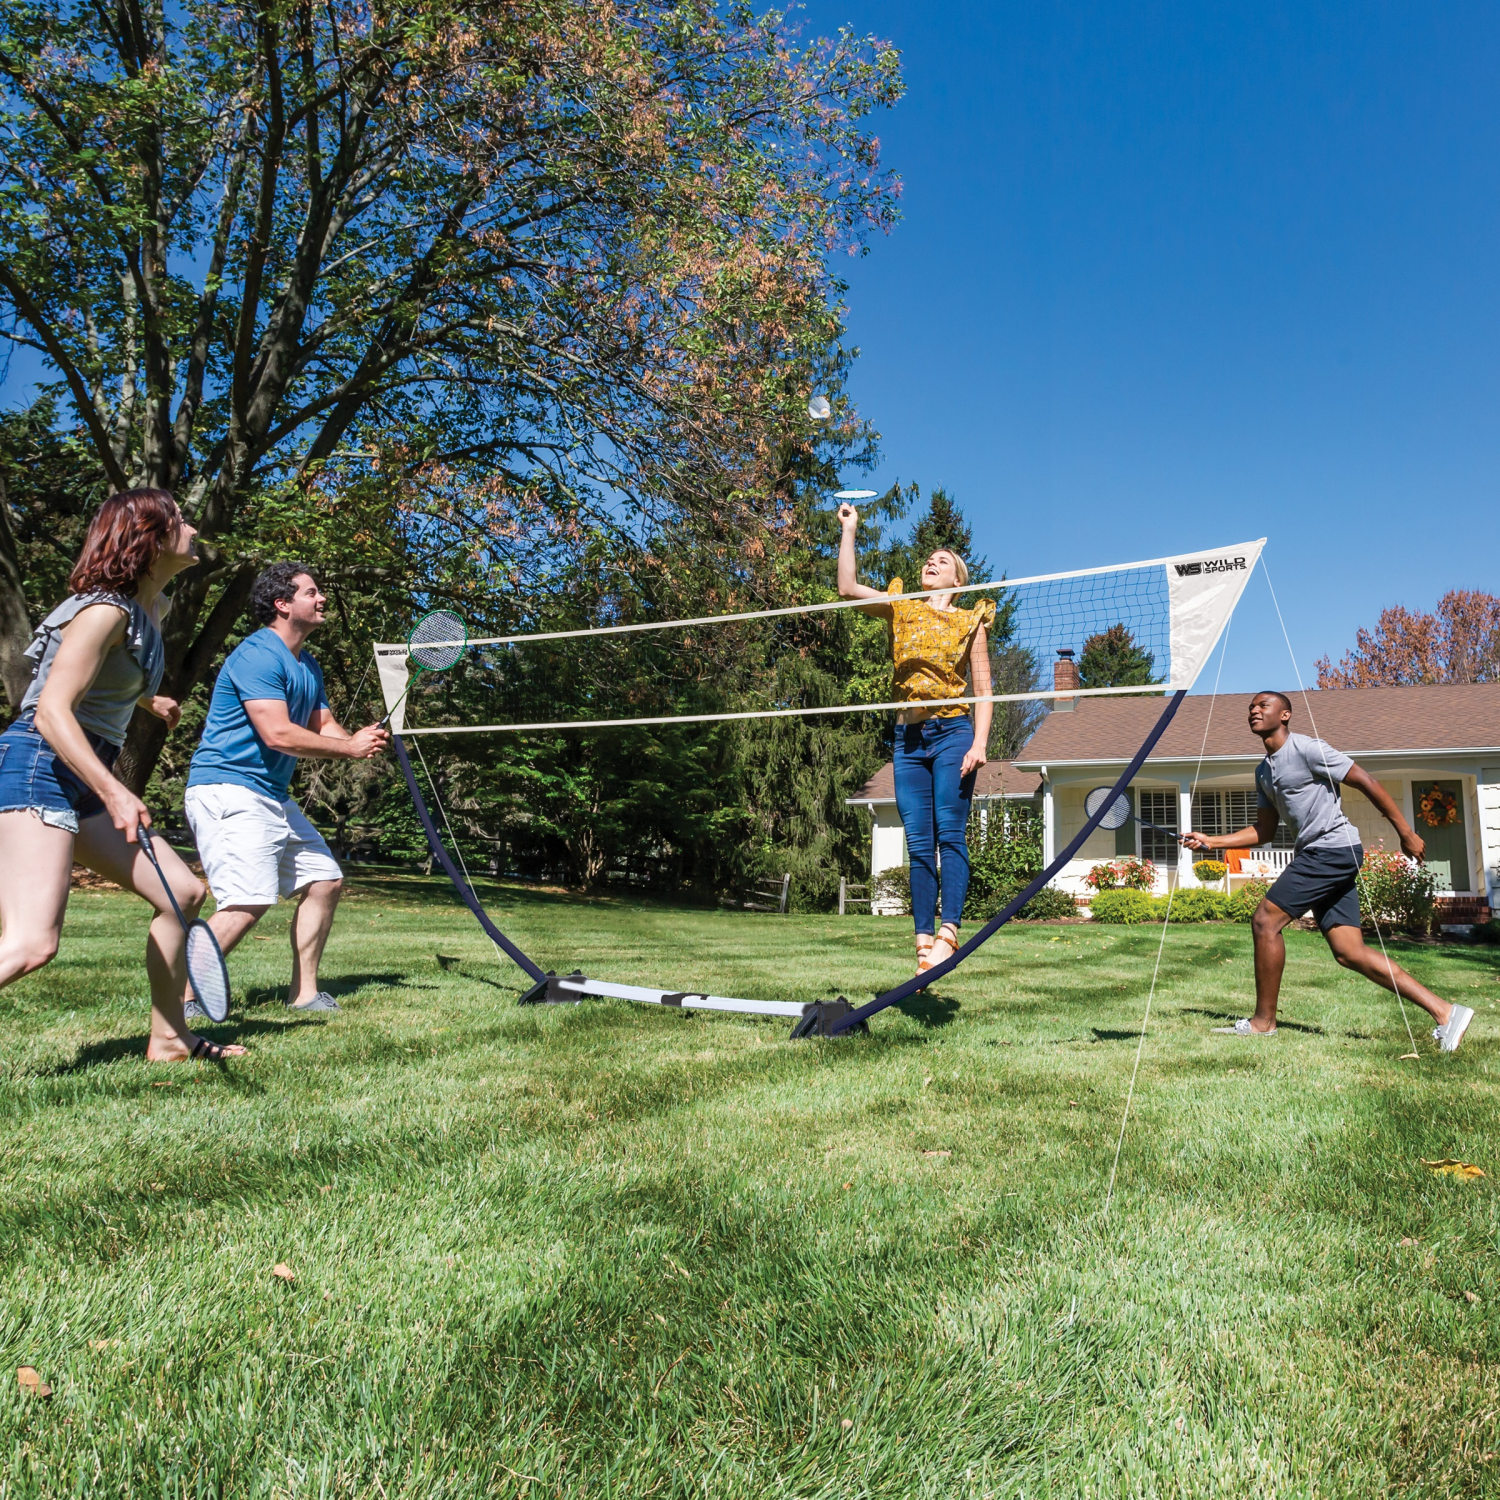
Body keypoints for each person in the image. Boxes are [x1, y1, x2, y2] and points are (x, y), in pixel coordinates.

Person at [0, 488, 244, 1062]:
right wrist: (114, 790)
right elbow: (52, 708)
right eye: (179, 521)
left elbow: (95, 684)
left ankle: (169, 1039)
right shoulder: (104, 608)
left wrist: (146, 702)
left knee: (181, 892)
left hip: (77, 775)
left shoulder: (147, 611)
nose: (191, 529)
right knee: (34, 943)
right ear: (152, 539)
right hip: (40, 765)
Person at [1183, 691, 1472, 1050]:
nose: (1254, 711)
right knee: (1348, 951)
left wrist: (1406, 831)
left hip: (1332, 849)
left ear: (1285, 714)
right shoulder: (1263, 772)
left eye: (1263, 706)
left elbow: (1365, 780)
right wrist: (1211, 841)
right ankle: (1446, 1012)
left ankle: (1263, 1022)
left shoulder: (1307, 749)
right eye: (1250, 708)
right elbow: (1265, 831)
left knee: (1264, 921)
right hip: (1322, 852)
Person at [183, 562, 388, 1016]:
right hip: (229, 789)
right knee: (246, 901)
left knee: (325, 880)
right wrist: (349, 750)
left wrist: (359, 739)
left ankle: (305, 995)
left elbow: (324, 725)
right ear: (283, 604)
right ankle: (182, 999)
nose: (322, 600)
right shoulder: (258, 654)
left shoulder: (305, 663)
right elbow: (277, 734)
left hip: (270, 794)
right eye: (312, 592)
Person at [837, 501, 993, 972]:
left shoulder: (971, 622)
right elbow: (846, 587)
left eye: (942, 561)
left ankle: (950, 930)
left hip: (952, 733)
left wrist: (979, 744)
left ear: (957, 580)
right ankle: (924, 944)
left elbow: (985, 690)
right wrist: (850, 529)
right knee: (918, 843)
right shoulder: (901, 607)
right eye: (929, 558)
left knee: (950, 835)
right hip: (907, 739)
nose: (932, 562)